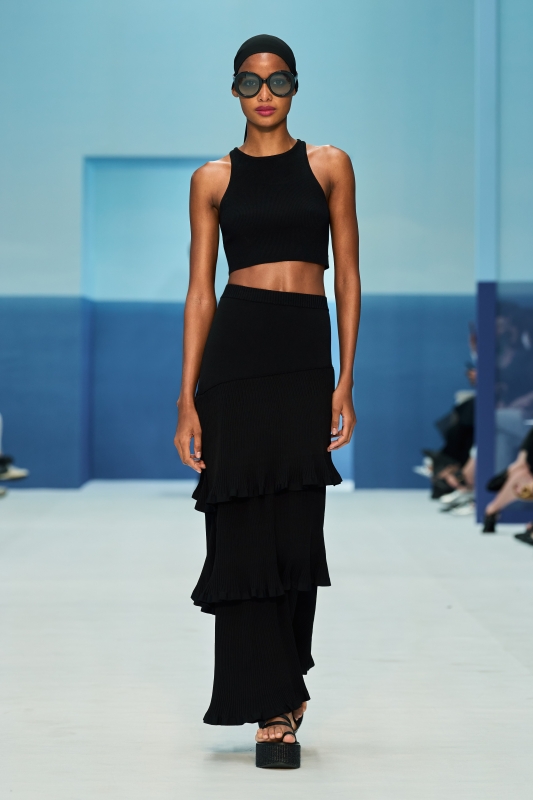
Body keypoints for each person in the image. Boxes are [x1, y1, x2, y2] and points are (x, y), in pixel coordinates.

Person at [174, 34, 360, 769]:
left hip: (303, 357)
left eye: (277, 81)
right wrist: (187, 399)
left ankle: (286, 679)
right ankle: (270, 708)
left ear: (294, 87)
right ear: (233, 89)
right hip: (235, 358)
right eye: (250, 82)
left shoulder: (330, 165)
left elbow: (347, 275)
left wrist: (345, 380)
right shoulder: (211, 179)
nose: (264, 94)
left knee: (296, 527)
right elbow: (199, 292)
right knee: (242, 534)